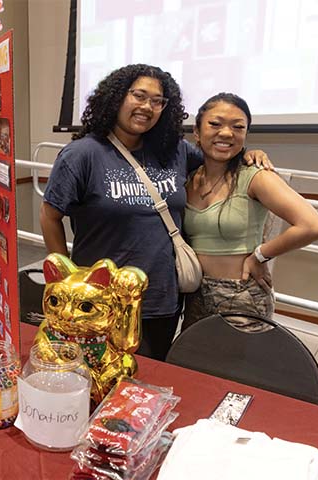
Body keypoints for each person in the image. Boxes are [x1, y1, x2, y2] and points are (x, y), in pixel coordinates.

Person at [40, 64, 272, 360]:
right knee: (96, 382)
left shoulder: (174, 150)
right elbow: (50, 215)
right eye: (139, 96)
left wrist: (251, 153)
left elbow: (220, 154)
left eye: (157, 101)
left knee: (146, 384)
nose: (147, 107)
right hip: (100, 300)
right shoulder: (83, 154)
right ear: (116, 97)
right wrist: (67, 280)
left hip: (161, 298)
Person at [182, 93, 318, 331]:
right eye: (215, 124)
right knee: (192, 365)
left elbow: (314, 225)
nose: (227, 133)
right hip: (195, 296)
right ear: (197, 132)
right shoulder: (189, 178)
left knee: (238, 368)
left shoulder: (255, 176)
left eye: (238, 127)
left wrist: (260, 255)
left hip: (241, 296)